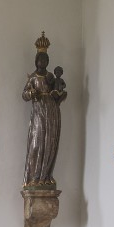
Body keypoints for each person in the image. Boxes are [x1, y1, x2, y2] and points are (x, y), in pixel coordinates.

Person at [22, 34, 67, 186]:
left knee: (50, 142)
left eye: (45, 60)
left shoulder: (50, 77)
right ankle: (34, 177)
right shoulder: (33, 77)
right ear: (36, 61)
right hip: (38, 113)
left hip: (51, 112)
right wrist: (31, 93)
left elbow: (58, 90)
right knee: (37, 143)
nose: (43, 62)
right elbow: (24, 94)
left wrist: (59, 93)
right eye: (40, 60)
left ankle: (46, 176)